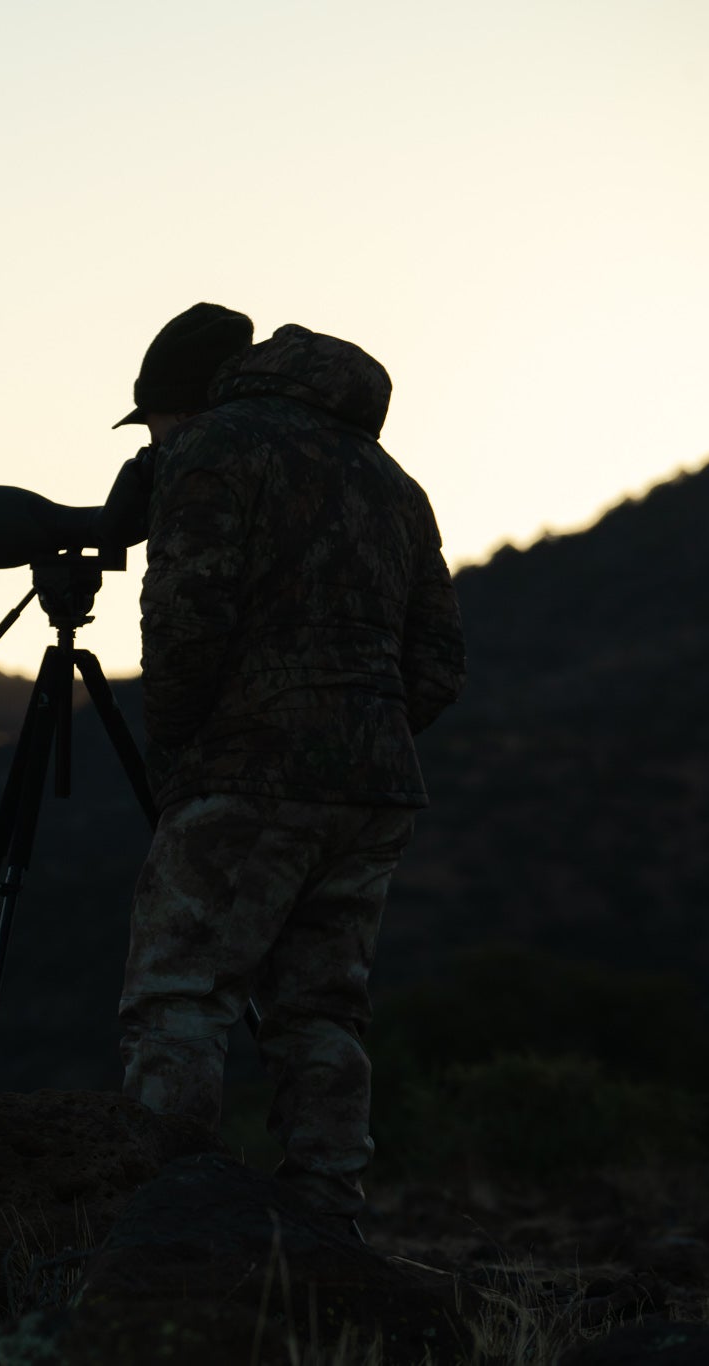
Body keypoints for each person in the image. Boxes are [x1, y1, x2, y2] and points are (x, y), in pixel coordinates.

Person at [110, 304, 467, 1231]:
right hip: (373, 785)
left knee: (183, 996)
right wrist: (359, 729)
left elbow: (185, 619)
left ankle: (171, 1221)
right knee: (322, 1009)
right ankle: (329, 1217)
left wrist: (184, 752)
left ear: (178, 405)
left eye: (152, 424)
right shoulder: (390, 479)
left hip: (245, 771)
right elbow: (437, 660)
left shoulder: (213, 452)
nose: (153, 444)